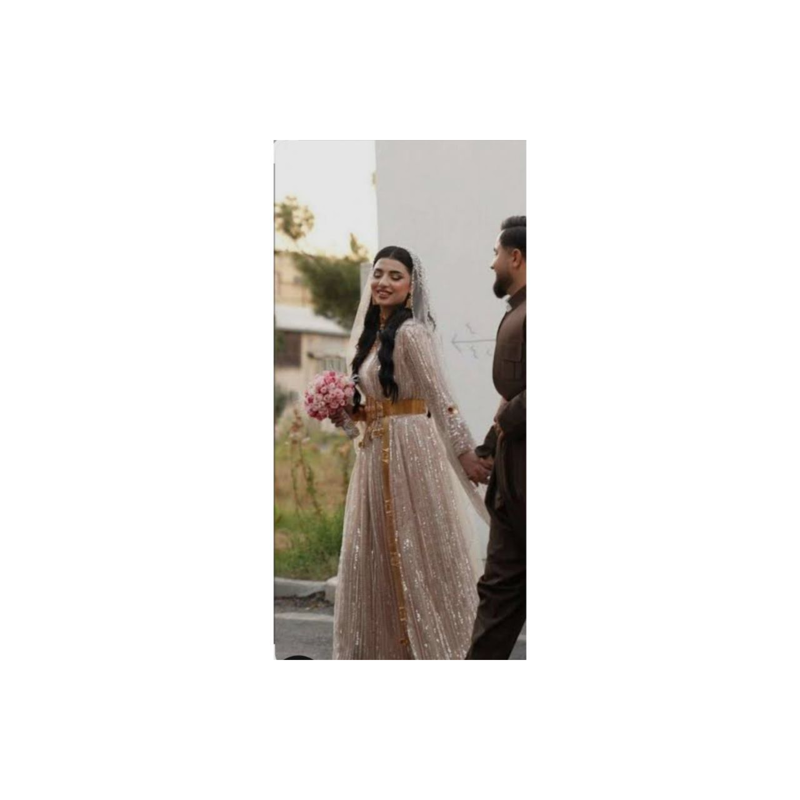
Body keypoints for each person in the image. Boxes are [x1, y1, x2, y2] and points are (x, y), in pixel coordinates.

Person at [329, 245, 491, 659]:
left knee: (416, 548)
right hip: (374, 453)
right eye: (378, 273)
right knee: (378, 553)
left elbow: (441, 397)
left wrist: (464, 452)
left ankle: (437, 647)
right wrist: (342, 412)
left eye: (395, 276)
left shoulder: (412, 334)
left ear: (411, 286)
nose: (383, 282)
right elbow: (367, 414)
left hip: (412, 452)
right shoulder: (370, 339)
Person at [466, 216, 527, 659]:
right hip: (510, 478)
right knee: (499, 589)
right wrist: (490, 444)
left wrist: (511, 417)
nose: (492, 264)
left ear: (516, 257)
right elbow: (513, 392)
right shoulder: (519, 311)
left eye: (496, 253)